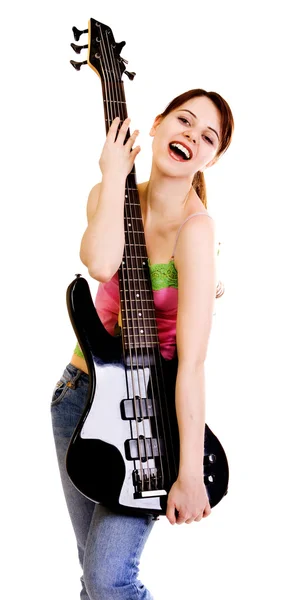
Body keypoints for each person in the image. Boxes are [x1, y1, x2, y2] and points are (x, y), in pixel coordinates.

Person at [50, 88, 234, 600]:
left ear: (211, 158)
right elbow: (101, 265)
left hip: (153, 418)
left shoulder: (196, 231)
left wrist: (191, 473)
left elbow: (193, 363)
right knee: (94, 575)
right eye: (184, 121)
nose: (191, 137)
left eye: (207, 137)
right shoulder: (108, 193)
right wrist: (113, 176)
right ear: (156, 124)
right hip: (78, 397)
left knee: (111, 579)